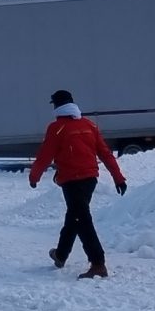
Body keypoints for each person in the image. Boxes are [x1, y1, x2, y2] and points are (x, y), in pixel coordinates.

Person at [27, 89, 126, 279]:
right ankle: (61, 254)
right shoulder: (89, 125)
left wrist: (34, 177)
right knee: (75, 216)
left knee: (81, 219)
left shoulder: (56, 128)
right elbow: (105, 153)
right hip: (90, 180)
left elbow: (45, 155)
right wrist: (118, 178)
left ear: (56, 106)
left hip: (71, 181)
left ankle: (98, 264)